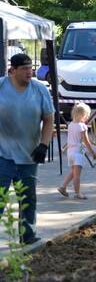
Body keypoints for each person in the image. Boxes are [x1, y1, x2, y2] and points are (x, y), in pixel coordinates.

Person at [0, 53, 54, 245]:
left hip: (29, 156)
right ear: (12, 71)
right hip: (2, 156)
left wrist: (43, 145)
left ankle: (28, 236)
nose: (29, 72)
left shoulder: (40, 90)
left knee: (28, 200)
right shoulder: (1, 86)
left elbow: (49, 119)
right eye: (24, 69)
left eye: (30, 68)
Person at [58, 102, 96, 199]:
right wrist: (92, 153)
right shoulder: (82, 126)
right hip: (78, 153)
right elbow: (86, 141)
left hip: (70, 152)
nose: (87, 117)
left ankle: (63, 187)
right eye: (87, 115)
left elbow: (70, 139)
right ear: (83, 115)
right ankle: (77, 193)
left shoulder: (71, 124)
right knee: (77, 175)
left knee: (73, 173)